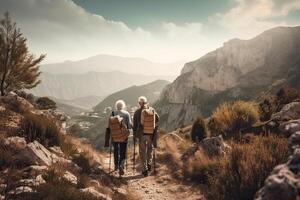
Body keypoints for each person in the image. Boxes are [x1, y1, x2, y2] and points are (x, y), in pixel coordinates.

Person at [133, 96, 159, 177]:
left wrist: (135, 135)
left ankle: (144, 170)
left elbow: (134, 125)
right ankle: (149, 164)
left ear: (139, 103)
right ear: (146, 102)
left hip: (141, 135)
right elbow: (158, 119)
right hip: (151, 134)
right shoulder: (152, 110)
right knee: (150, 150)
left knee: (142, 152)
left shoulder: (137, 112)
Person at [105, 100, 132, 176]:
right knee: (123, 150)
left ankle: (116, 165)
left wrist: (109, 136)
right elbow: (129, 125)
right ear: (123, 106)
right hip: (123, 136)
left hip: (114, 136)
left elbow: (109, 126)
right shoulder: (126, 114)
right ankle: (121, 165)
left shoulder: (113, 113)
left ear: (116, 106)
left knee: (116, 150)